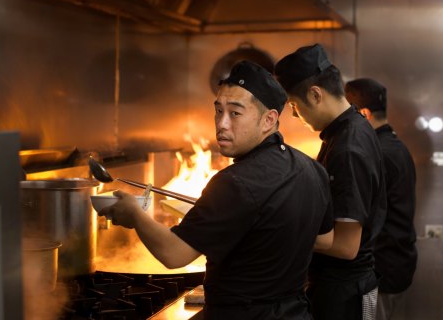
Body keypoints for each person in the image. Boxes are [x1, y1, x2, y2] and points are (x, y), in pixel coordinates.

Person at [98, 60, 335, 320]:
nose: (221, 124)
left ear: (269, 120)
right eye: (218, 111)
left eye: (235, 113)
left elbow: (174, 254)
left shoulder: (234, 182)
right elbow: (325, 238)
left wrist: (134, 214)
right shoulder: (312, 170)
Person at [274, 44, 387, 320]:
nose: (295, 115)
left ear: (315, 94)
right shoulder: (352, 128)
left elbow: (346, 246)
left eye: (293, 105)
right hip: (349, 289)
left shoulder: (348, 148)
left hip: (345, 295)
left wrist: (274, 230)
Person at [345, 78, 417, 320]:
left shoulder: (378, 153)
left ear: (363, 114)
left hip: (382, 271)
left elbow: (367, 217)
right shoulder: (396, 147)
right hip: (397, 264)